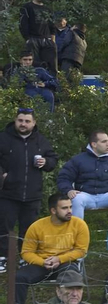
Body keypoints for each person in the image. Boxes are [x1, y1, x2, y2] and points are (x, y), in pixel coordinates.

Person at [13, 193, 87, 304]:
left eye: (70, 207)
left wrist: (59, 259)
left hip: (66, 263)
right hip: (42, 264)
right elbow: (26, 252)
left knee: (71, 277)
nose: (69, 211)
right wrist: (42, 262)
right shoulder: (37, 226)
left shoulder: (79, 225)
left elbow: (81, 250)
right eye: (64, 208)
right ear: (53, 210)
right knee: (19, 277)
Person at [0, 106, 57, 251]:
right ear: (15, 121)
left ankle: (25, 257)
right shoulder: (3, 138)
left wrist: (46, 162)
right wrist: (3, 175)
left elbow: (53, 160)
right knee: (4, 227)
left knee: (29, 229)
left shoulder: (41, 140)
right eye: (20, 120)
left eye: (27, 121)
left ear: (34, 123)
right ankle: (3, 257)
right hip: (8, 193)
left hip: (33, 194)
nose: (23, 124)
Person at [57, 129, 108, 221]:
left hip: (107, 196)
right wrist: (68, 190)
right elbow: (64, 177)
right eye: (104, 141)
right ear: (94, 144)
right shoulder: (78, 160)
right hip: (85, 196)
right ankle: (76, 232)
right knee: (77, 199)